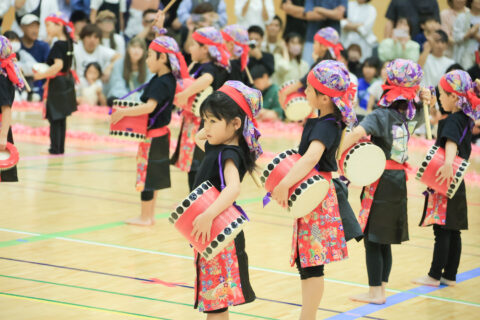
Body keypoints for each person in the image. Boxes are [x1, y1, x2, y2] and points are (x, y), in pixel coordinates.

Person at [340, 59, 433, 304]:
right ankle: (380, 288)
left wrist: (336, 152)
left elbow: (358, 133)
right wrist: (425, 103)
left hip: (380, 180)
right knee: (385, 238)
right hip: (398, 181)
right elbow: (423, 119)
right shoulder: (405, 117)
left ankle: (375, 292)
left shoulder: (381, 115)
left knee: (372, 238)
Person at [270, 60, 355, 319]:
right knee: (307, 262)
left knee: (313, 262)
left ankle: (308, 316)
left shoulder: (328, 124)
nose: (305, 92)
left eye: (309, 88)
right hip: (311, 195)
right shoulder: (321, 120)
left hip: (318, 200)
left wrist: (285, 183)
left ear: (325, 98)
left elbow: (310, 158)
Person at [190, 80, 260, 317]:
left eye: (212, 121)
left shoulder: (230, 153)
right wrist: (215, 115)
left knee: (216, 301)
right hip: (210, 231)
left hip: (219, 231)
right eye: (204, 120)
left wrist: (209, 214)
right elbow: (197, 138)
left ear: (236, 124)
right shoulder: (216, 145)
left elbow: (233, 189)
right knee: (213, 300)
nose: (206, 127)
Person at [111, 27, 187, 226]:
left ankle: (145, 217)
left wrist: (123, 112)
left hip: (153, 137)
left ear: (162, 58)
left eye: (150, 56)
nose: (146, 60)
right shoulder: (166, 78)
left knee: (147, 177)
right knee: (151, 176)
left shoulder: (162, 82)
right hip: (159, 135)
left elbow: (150, 106)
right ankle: (148, 215)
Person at [413, 70, 479, 287]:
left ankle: (433, 275)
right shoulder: (465, 118)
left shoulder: (453, 120)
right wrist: (431, 105)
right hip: (457, 181)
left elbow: (450, 142)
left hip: (445, 177)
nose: (440, 98)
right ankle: (449, 275)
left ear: (454, 97)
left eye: (442, 94)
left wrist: (448, 163)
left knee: (441, 229)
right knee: (454, 229)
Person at [172, 26, 231, 191]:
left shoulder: (210, 68)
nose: (190, 48)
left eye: (193, 45)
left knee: (197, 164)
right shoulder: (199, 65)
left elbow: (207, 79)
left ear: (205, 49)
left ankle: (196, 200)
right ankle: (194, 199)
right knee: (194, 164)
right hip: (196, 122)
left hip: (202, 124)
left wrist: (186, 93)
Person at [33, 12, 77, 155]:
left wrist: (41, 75)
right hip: (66, 81)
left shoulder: (58, 44)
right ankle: (59, 148)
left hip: (58, 83)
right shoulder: (69, 42)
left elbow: (58, 65)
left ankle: (54, 148)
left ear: (59, 25)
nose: (46, 29)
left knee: (54, 116)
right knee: (61, 117)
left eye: (48, 25)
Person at [278, 27, 340, 106]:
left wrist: (284, 93)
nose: (313, 46)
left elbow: (301, 83)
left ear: (323, 46)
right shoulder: (333, 63)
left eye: (315, 43)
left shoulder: (320, 65)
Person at [0, 35, 26, 182]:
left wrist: (3, 136)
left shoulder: (1, 78)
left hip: (1, 128)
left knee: (4, 177)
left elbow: (6, 109)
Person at [107, 37, 153, 105]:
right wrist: (130, 98)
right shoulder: (119, 64)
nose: (136, 51)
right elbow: (117, 85)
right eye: (134, 47)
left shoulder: (149, 66)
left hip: (141, 99)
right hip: (122, 97)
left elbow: (149, 87)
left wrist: (137, 98)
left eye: (140, 48)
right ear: (128, 49)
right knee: (113, 100)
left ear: (144, 51)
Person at [302, 0, 348, 65]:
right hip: (312, 39)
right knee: (308, 67)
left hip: (333, 42)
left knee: (332, 67)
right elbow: (309, 15)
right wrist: (332, 13)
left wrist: (318, 9)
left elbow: (339, 15)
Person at [453, 0, 480, 70]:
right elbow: (455, 37)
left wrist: (475, 34)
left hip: (478, 52)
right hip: (465, 53)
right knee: (466, 74)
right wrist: (469, 34)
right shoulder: (462, 17)